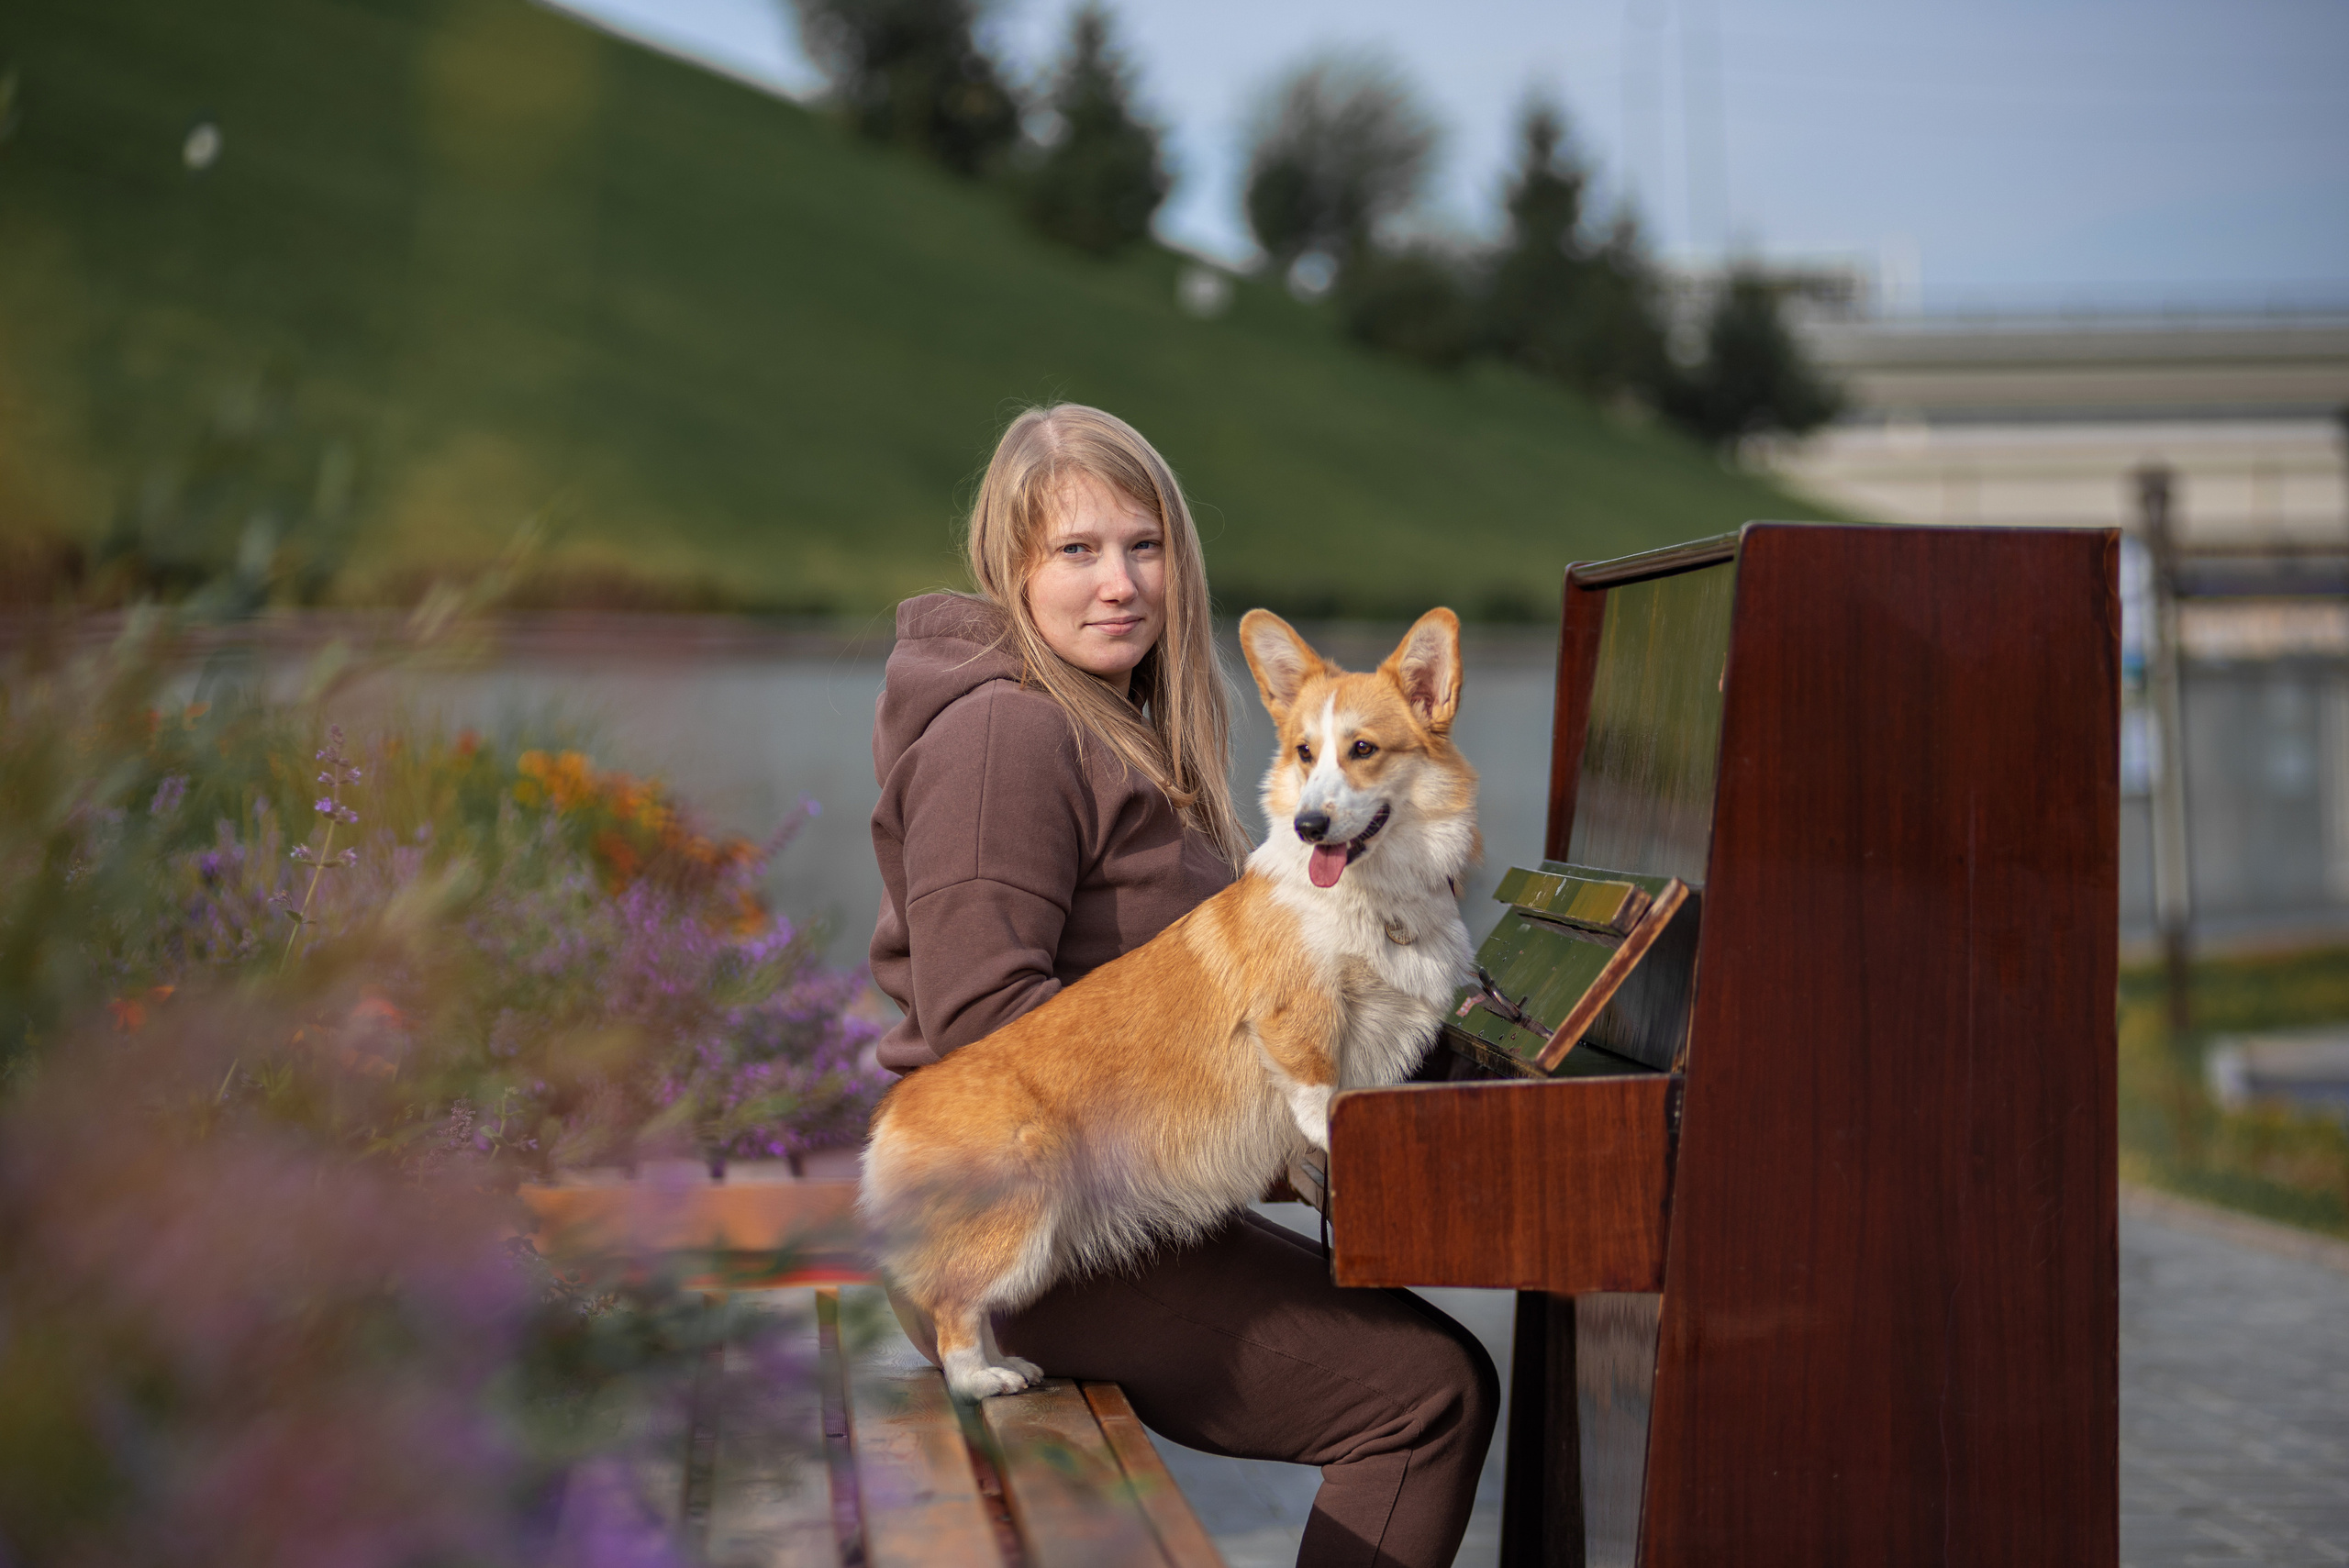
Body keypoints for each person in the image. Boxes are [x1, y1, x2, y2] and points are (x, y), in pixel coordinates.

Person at [867, 404, 1498, 1568]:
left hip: (1101, 1206)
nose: (1119, 583)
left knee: (1433, 1363)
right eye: (1075, 550)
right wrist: (1271, 1139)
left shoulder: (1100, 722)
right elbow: (980, 1033)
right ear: (1010, 568)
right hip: (1024, 1228)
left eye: (1144, 545)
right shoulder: (1005, 737)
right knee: (1423, 1395)